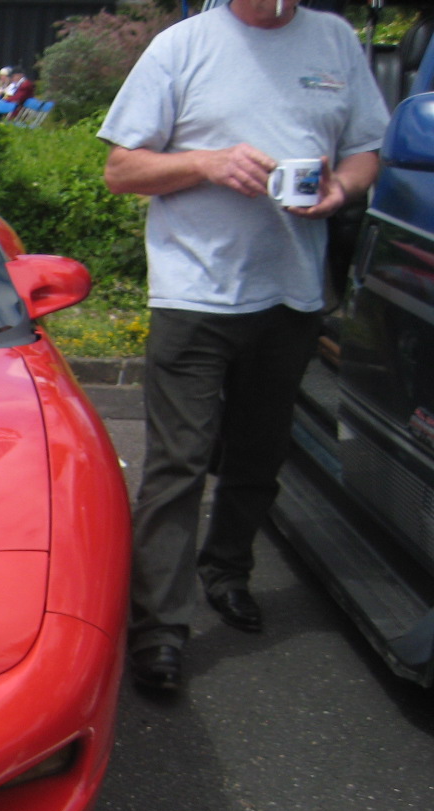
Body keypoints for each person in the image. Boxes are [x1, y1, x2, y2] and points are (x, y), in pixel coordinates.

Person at [98, 0, 388, 692]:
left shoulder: (335, 41)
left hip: (290, 293)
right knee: (180, 464)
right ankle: (160, 631)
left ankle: (227, 571)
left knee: (260, 453)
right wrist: (205, 163)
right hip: (195, 293)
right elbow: (121, 169)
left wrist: (340, 189)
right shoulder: (184, 46)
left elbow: (368, 150)